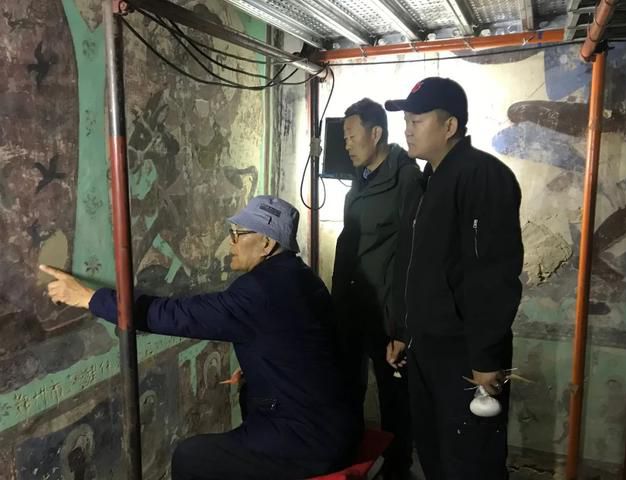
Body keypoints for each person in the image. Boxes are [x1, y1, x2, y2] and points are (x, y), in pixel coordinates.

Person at [41, 195, 360, 480]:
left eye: (237, 234)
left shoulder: (257, 291)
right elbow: (303, 345)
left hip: (309, 439)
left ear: (266, 244)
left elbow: (175, 315)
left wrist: (88, 298)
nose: (230, 242)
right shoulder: (303, 277)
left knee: (191, 457)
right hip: (337, 423)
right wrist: (259, 369)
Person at [384, 78, 524, 479]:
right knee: (433, 453)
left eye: (417, 120)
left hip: (463, 354)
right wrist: (401, 330)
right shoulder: (426, 182)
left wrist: (485, 357)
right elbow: (410, 264)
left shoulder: (481, 176)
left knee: (471, 460)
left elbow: (491, 272)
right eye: (406, 121)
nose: (407, 130)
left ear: (449, 126)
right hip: (425, 347)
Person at [332, 98, 422, 479]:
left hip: (385, 316)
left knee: (394, 401)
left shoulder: (406, 180)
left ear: (375, 134)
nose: (347, 145)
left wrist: (401, 326)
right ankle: (349, 460)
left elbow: (413, 258)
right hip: (353, 309)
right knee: (347, 390)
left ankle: (397, 470)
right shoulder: (361, 180)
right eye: (344, 138)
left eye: (351, 137)